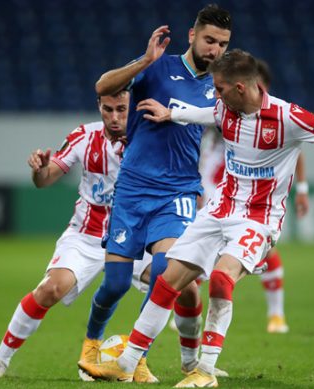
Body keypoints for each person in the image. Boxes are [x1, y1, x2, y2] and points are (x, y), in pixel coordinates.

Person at [78, 49, 314, 386]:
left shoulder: (289, 117)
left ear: (241, 87)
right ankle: (125, 364)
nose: (214, 95)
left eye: (219, 89)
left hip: (258, 219)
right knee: (168, 279)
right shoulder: (224, 109)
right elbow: (202, 113)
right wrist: (171, 114)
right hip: (219, 209)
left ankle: (206, 370)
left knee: (220, 279)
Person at [80, 4, 232, 381]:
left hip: (178, 190)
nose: (215, 50)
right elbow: (103, 87)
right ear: (192, 35)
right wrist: (145, 59)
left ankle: (136, 356)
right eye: (209, 40)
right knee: (114, 285)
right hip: (132, 187)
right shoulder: (158, 66)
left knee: (166, 270)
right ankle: (91, 343)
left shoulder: (219, 88)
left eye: (223, 44)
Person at [0, 91, 137, 380]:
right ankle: (0, 360)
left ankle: (194, 365)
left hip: (136, 235)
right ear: (98, 107)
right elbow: (45, 179)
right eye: (108, 109)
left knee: (177, 284)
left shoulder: (150, 137)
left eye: (122, 109)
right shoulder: (83, 136)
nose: (114, 117)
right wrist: (39, 170)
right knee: (50, 289)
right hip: (87, 235)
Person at [197, 128, 309, 334]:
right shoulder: (213, 120)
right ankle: (190, 312)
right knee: (198, 251)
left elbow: (297, 151)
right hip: (212, 192)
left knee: (265, 251)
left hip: (246, 198)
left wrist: (302, 188)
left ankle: (276, 314)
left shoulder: (264, 123)